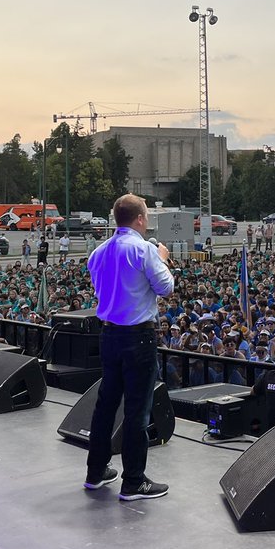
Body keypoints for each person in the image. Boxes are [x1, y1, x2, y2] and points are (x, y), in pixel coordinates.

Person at [83, 194, 175, 501]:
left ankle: (96, 472)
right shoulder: (144, 249)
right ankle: (133, 481)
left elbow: (102, 287)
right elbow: (166, 287)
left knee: (105, 405)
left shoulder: (97, 252)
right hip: (138, 337)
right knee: (137, 410)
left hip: (108, 335)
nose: (147, 222)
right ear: (138, 219)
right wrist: (161, 258)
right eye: (146, 216)